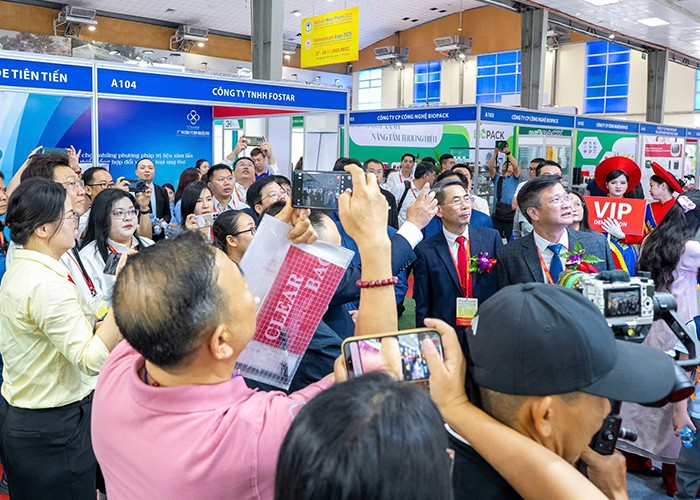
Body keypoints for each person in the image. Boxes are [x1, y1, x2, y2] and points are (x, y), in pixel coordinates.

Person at [91, 164, 398, 499]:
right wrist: (375, 243)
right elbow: (374, 377)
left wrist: (274, 233)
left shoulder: (118, 373)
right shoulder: (252, 434)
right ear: (221, 342)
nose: (255, 295)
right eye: (243, 287)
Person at [424, 283, 680, 500]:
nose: (607, 409)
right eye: (601, 394)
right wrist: (615, 495)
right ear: (544, 416)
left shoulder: (432, 462)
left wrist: (456, 406)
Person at [0, 178, 122, 499]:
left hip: (29, 417)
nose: (76, 223)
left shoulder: (27, 268)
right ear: (42, 229)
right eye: (70, 216)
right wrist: (126, 299)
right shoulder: (46, 284)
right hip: (53, 427)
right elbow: (89, 360)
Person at [618, 189, 700, 495]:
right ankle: (675, 471)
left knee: (651, 392)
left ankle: (640, 456)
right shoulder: (690, 248)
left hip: (654, 320)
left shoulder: (651, 240)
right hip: (683, 323)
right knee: (680, 392)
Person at [413, 177, 501, 346]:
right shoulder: (426, 250)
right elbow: (423, 302)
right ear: (439, 211)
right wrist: (426, 341)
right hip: (446, 331)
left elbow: (501, 288)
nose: (465, 206)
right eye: (456, 201)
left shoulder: (491, 239)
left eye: (466, 199)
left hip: (486, 329)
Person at [496, 175, 614, 288]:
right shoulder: (510, 255)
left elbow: (612, 293)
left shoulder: (597, 243)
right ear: (533, 213)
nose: (567, 205)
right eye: (556, 200)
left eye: (566, 198)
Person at [80, 189, 154, 305]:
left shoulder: (149, 245)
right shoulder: (89, 257)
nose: (128, 218)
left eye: (132, 211)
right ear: (102, 217)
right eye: (119, 213)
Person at [594, 156, 642, 275]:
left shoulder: (634, 207)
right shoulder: (596, 205)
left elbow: (640, 237)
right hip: (601, 250)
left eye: (622, 183)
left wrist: (623, 235)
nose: (618, 186)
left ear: (627, 185)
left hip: (625, 253)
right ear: (607, 184)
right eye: (613, 182)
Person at [512, 159, 555, 239]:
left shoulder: (563, 205)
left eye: (535, 169)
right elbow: (516, 232)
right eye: (530, 169)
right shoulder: (524, 194)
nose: (532, 172)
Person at [488, 144, 521, 239]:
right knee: (495, 237)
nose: (507, 165)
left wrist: (508, 153)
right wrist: (495, 153)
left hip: (510, 214)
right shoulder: (497, 178)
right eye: (505, 164)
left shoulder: (515, 178)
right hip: (497, 213)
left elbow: (516, 166)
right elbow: (490, 167)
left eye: (509, 164)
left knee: (511, 238)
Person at [391, 160, 436, 226]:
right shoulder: (400, 189)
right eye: (433, 175)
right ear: (426, 176)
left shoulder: (430, 193)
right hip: (401, 229)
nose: (434, 178)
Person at [645, 161, 683, 234]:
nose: (649, 190)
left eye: (651, 185)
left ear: (663, 186)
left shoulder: (678, 208)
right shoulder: (649, 207)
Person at [135, 157, 171, 225]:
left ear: (154, 171)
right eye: (142, 168)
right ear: (136, 172)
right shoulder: (130, 192)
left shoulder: (162, 191)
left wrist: (162, 223)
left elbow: (167, 214)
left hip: (159, 229)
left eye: (150, 168)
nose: (147, 170)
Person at [365, 158, 399, 229]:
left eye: (379, 172)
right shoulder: (357, 195)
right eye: (372, 171)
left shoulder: (389, 197)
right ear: (364, 173)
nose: (376, 175)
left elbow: (394, 224)